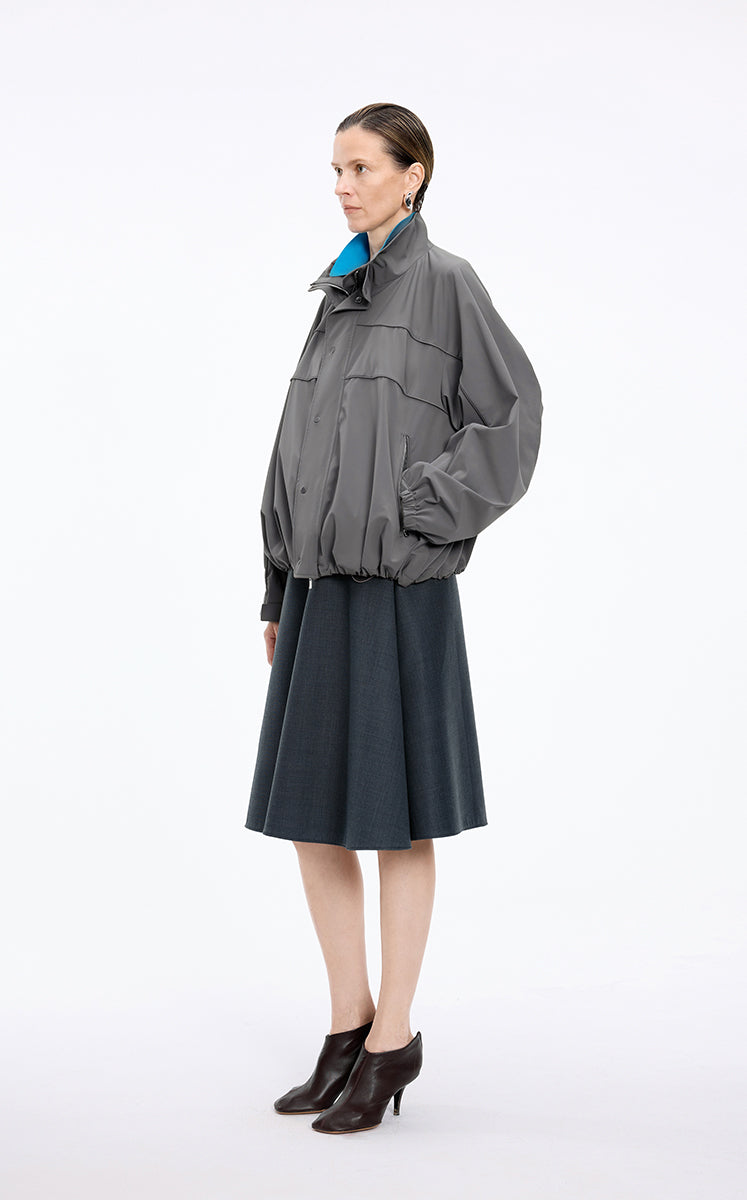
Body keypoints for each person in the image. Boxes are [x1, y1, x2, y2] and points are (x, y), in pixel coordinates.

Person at [245, 102, 543, 1134]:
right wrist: (277, 583)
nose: (342, 185)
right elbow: (294, 447)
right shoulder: (337, 294)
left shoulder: (445, 283)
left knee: (397, 820)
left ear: (413, 175)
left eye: (362, 167)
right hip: (318, 590)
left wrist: (424, 509)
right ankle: (347, 1023)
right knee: (309, 819)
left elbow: (513, 417)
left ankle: (393, 1038)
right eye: (335, 168)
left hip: (398, 591)